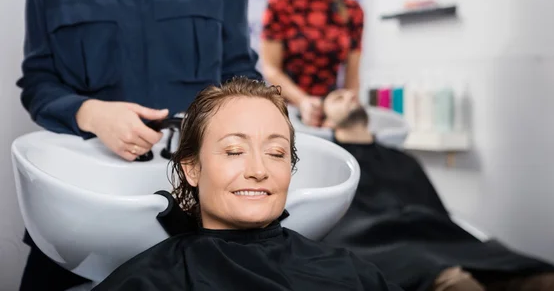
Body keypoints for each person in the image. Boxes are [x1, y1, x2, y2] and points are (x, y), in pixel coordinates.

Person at [16, 0, 260, 289]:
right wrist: (91, 113)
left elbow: (241, 75)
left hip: (199, 211)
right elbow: (38, 83)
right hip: (83, 209)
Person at [92, 77, 401, 291]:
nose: (258, 170)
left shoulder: (349, 272)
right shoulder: (149, 281)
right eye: (234, 151)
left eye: (276, 153)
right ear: (192, 168)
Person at [320, 89, 554, 291]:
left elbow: (435, 211)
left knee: (545, 277)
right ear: (325, 121)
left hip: (435, 237)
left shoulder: (403, 160)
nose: (350, 97)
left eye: (351, 94)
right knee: (458, 285)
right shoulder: (330, 164)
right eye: (338, 98)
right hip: (375, 243)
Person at [261, 0, 364, 127]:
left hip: (331, 118)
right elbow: (271, 69)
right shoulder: (280, 5)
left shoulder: (352, 10)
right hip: (287, 115)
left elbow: (352, 75)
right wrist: (303, 102)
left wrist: (344, 112)